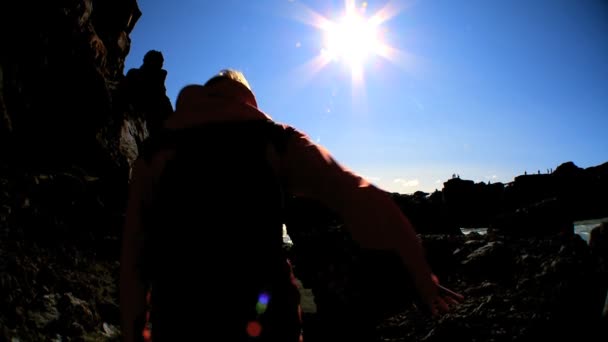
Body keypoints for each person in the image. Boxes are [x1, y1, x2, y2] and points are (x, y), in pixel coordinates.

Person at [120, 69, 463, 341]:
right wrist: (422, 277)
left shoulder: (153, 154)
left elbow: (134, 257)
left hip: (179, 320)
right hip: (266, 319)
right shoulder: (274, 138)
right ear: (247, 99)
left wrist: (134, 330)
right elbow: (360, 196)